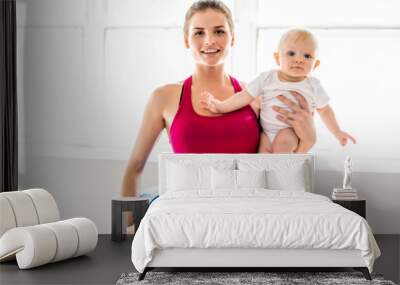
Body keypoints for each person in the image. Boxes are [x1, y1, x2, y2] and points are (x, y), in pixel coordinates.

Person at [121, 1, 317, 198]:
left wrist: (307, 142)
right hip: (185, 213)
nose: (209, 40)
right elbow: (134, 168)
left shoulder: (257, 96)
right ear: (186, 40)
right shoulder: (164, 97)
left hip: (247, 210)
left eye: (219, 31)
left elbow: (276, 171)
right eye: (199, 32)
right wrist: (127, 226)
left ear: (232, 38)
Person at [201, 28, 356, 153]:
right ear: (277, 58)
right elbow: (244, 96)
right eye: (291, 53)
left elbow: (325, 111)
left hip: (290, 131)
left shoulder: (313, 85)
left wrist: (337, 132)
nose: (299, 59)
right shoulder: (267, 77)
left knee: (281, 154)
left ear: (315, 64)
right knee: (262, 161)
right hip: (266, 133)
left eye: (307, 56)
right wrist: (220, 106)